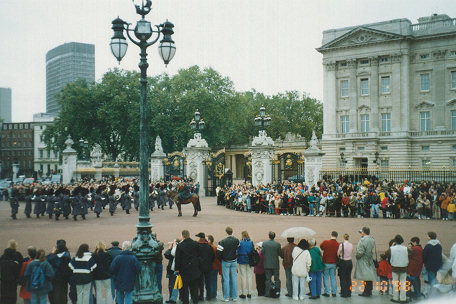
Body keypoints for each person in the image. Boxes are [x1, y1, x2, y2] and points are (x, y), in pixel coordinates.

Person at [174, 230, 201, 304]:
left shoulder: (180, 246)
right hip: (194, 269)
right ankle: (195, 301)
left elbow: (178, 258)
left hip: (184, 270)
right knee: (195, 288)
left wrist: (177, 269)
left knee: (184, 289)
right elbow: (199, 255)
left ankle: (186, 302)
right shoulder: (195, 244)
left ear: (183, 236)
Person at [217, 226, 240, 302]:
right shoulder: (236, 240)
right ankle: (234, 296)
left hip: (225, 261)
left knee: (226, 279)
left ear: (226, 232)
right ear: (232, 232)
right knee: (234, 279)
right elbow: (238, 248)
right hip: (234, 261)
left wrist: (221, 259)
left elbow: (218, 253)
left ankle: (226, 297)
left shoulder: (222, 241)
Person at [354, 227, 377, 297]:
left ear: (363, 232)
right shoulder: (372, 239)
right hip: (369, 259)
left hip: (363, 259)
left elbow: (360, 251)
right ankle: (369, 290)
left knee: (365, 276)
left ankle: (366, 291)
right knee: (369, 276)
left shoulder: (363, 240)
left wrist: (357, 256)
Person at [47, 240, 72, 304]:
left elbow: (47, 260)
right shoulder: (67, 255)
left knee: (56, 293)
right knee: (64, 292)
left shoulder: (53, 257)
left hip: (56, 277)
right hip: (65, 277)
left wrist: (52, 252)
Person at [195, 232, 214, 301]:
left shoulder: (197, 246)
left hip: (200, 267)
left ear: (200, 238)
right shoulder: (209, 246)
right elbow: (212, 257)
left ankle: (201, 296)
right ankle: (209, 296)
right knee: (208, 282)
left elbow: (195, 256)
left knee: (200, 282)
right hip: (208, 266)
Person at [262, 231, 281, 298]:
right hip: (275, 264)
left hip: (267, 264)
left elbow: (262, 252)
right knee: (277, 279)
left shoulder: (265, 243)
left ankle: (267, 293)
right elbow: (280, 253)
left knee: (268, 279)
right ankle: (277, 292)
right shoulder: (277, 244)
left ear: (269, 236)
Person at [320, 231, 339, 297]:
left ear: (331, 235)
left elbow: (321, 247)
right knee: (333, 277)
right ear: (337, 236)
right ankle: (334, 292)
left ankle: (327, 292)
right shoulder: (338, 244)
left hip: (326, 262)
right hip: (334, 263)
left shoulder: (326, 242)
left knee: (325, 277)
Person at [237, 231, 254, 299]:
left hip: (242, 260)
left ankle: (243, 293)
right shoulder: (251, 242)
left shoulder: (240, 242)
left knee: (243, 277)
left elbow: (237, 250)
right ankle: (249, 292)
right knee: (249, 276)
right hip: (249, 260)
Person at [337, 233, 354, 298]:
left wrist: (341, 254)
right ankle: (349, 292)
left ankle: (344, 293)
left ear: (343, 238)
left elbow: (338, 253)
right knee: (348, 278)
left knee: (343, 278)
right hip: (350, 261)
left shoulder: (342, 245)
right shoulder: (351, 245)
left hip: (343, 262)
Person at [207, 235, 220, 300]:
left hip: (210, 267)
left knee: (209, 281)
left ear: (209, 240)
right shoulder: (215, 247)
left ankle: (210, 295)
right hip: (216, 267)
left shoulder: (208, 247)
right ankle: (214, 295)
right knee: (214, 281)